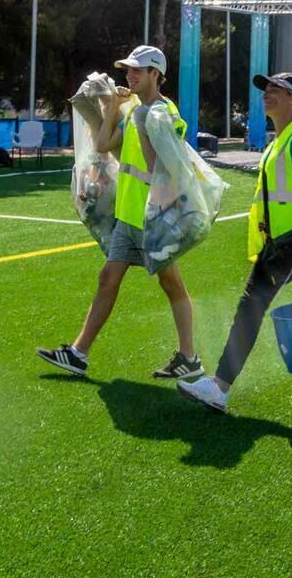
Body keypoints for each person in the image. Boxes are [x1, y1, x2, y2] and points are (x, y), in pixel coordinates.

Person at [177, 72, 292, 413]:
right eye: (266, 89)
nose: (267, 93)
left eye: (276, 89)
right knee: (250, 310)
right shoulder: (277, 142)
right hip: (278, 243)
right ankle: (219, 387)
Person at [37, 45, 203, 380]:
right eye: (128, 69)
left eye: (138, 70)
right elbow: (102, 145)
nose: (130, 75)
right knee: (108, 278)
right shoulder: (134, 111)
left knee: (172, 285)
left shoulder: (163, 112)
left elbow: (166, 164)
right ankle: (78, 353)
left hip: (154, 215)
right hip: (130, 214)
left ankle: (189, 357)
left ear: (156, 74)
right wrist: (113, 106)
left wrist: (138, 120)